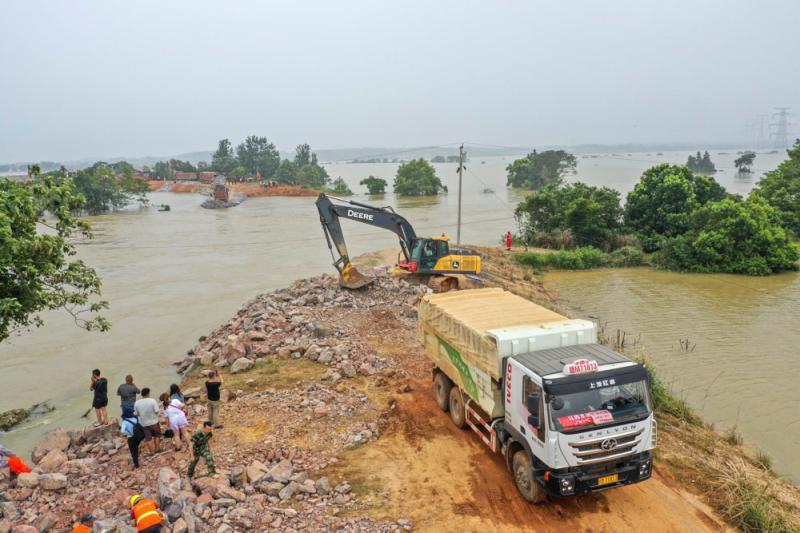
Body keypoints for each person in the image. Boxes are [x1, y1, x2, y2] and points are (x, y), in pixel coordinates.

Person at [134, 388, 161, 454]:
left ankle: (151, 451)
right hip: (154, 422)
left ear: (142, 394)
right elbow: (157, 411)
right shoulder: (152, 401)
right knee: (157, 435)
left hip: (144, 423)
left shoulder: (137, 403)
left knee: (148, 438)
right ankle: (157, 449)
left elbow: (136, 414)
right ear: (148, 393)